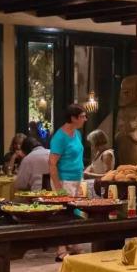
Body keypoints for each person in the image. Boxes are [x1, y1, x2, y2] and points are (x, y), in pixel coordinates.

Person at [49, 105, 87, 260]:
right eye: (82, 116)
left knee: (75, 212)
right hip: (64, 180)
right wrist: (58, 188)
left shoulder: (77, 134)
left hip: (77, 178)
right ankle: (61, 248)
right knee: (63, 214)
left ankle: (74, 242)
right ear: (73, 118)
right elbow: (52, 164)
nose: (85, 119)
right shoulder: (60, 137)